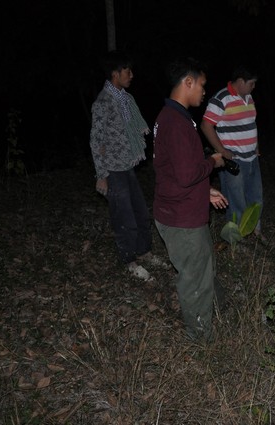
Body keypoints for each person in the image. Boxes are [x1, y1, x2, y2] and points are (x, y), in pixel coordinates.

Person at [152, 56, 228, 342]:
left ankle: (217, 310)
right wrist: (213, 162)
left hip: (181, 209)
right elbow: (187, 174)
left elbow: (172, 170)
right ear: (188, 82)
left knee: (202, 267)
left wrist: (204, 191)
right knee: (194, 280)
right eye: (202, 85)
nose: (204, 91)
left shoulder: (172, 117)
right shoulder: (176, 122)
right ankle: (200, 338)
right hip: (181, 219)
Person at [89, 50, 167, 281]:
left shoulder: (126, 99)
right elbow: (96, 141)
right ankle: (130, 261)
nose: (131, 75)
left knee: (141, 213)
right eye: (127, 70)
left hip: (127, 166)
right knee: (125, 218)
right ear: (115, 73)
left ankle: (144, 252)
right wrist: (101, 174)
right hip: (113, 170)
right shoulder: (103, 103)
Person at [201, 66, 263, 236]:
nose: (254, 87)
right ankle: (237, 237)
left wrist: (256, 145)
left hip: (252, 157)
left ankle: (256, 231)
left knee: (256, 196)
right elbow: (206, 125)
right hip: (234, 159)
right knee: (236, 200)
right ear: (241, 81)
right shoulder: (221, 98)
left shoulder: (248, 97)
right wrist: (221, 151)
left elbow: (251, 123)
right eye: (251, 83)